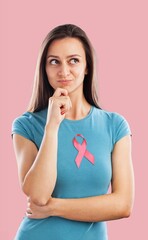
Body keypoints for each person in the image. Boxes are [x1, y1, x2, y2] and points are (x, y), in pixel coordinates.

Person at [11, 24, 134, 240]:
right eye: (54, 62)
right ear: (44, 68)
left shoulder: (115, 126)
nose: (64, 71)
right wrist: (52, 126)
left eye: (73, 60)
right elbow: (38, 196)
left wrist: (53, 208)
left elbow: (123, 204)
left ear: (87, 66)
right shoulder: (26, 126)